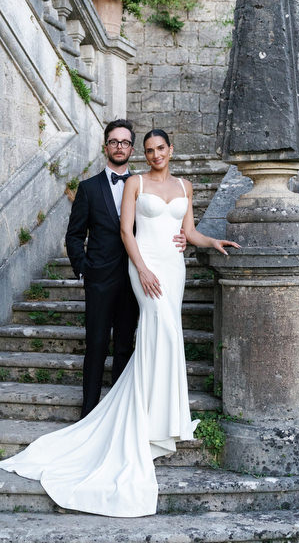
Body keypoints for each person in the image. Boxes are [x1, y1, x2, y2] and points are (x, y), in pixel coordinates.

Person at [0, 128, 239, 518]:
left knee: (161, 335)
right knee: (125, 336)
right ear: (129, 151)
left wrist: (211, 242)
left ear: (170, 150)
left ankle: (165, 415)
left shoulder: (184, 185)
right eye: (147, 149)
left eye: (159, 147)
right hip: (134, 269)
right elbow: (122, 231)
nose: (154, 153)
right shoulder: (125, 184)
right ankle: (119, 414)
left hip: (172, 267)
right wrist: (130, 268)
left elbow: (188, 230)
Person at [65, 118, 186, 418]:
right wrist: (84, 270)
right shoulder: (88, 188)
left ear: (133, 149)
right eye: (113, 142)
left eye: (125, 142)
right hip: (100, 279)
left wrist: (182, 236)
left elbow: (163, 223)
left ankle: (119, 414)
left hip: (136, 279)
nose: (119, 147)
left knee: (125, 348)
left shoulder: (144, 185)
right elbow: (74, 235)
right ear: (105, 146)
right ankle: (89, 413)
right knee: (95, 347)